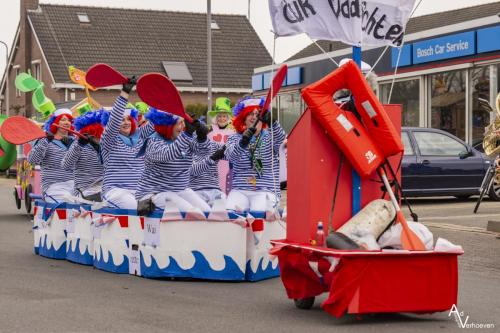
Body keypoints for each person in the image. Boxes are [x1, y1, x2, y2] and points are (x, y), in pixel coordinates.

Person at [135, 108, 211, 213]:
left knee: (208, 212)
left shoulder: (183, 138)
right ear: (168, 125)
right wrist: (187, 134)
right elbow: (169, 154)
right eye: (179, 123)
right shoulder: (153, 141)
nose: (183, 126)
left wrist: (202, 138)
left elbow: (203, 152)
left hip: (179, 190)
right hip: (154, 194)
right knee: (192, 212)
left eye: (183, 123)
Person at [225, 96, 286, 215]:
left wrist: (273, 123)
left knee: (257, 213)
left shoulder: (270, 136)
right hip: (240, 190)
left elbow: (281, 141)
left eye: (257, 114)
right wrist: (242, 143)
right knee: (231, 214)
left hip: (265, 189)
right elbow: (231, 158)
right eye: (250, 114)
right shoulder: (234, 138)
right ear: (243, 118)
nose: (254, 117)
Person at [100, 79, 154, 209]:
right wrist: (124, 93)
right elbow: (113, 121)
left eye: (128, 119)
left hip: (140, 190)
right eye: (122, 120)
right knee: (132, 205)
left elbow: (156, 122)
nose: (126, 122)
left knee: (161, 204)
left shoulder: (140, 135)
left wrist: (161, 94)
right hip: (116, 191)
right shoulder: (109, 139)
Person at [27, 109, 75, 203]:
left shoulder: (77, 142)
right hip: (53, 186)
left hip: (75, 186)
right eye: (63, 120)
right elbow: (32, 160)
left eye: (69, 120)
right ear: (55, 122)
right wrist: (45, 141)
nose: (67, 122)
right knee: (64, 204)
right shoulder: (45, 140)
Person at [62, 109, 107, 201]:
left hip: (106, 189)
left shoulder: (106, 145)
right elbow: (66, 165)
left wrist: (100, 150)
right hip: (85, 190)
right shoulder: (77, 144)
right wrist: (79, 145)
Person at [207, 97, 235, 194]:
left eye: (224, 116)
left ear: (227, 118)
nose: (221, 119)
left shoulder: (233, 131)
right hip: (213, 164)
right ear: (216, 117)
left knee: (227, 187)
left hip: (228, 165)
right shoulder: (210, 130)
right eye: (219, 116)